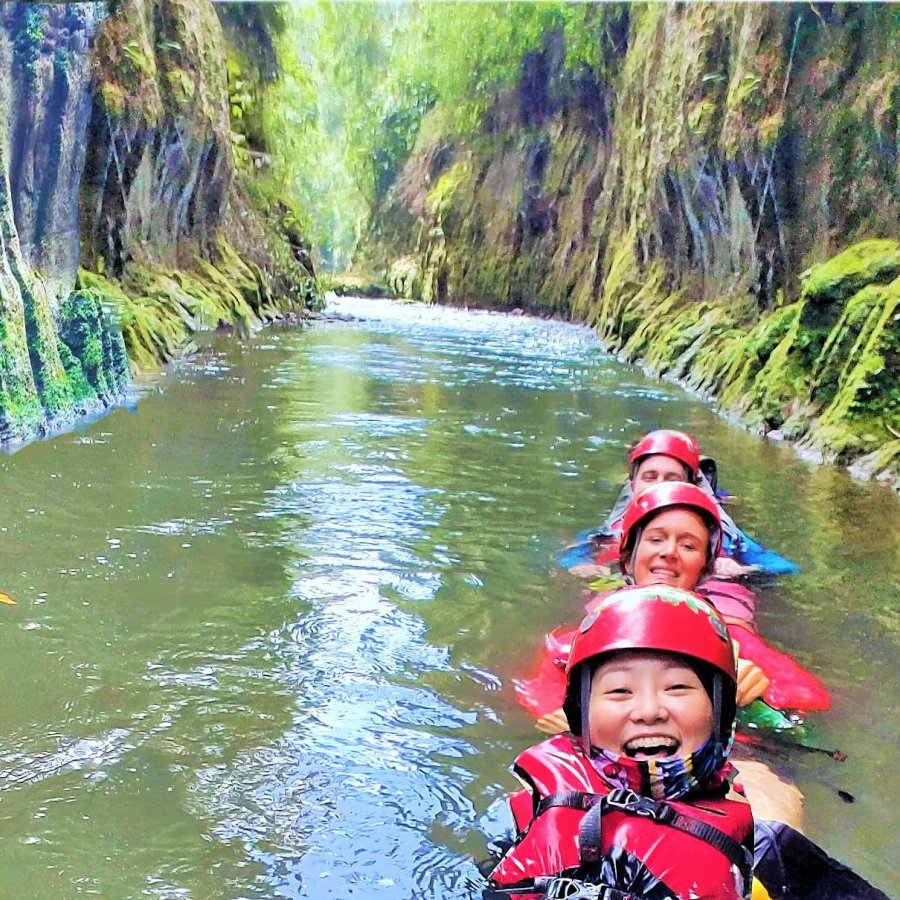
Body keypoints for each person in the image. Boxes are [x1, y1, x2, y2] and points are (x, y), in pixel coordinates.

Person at [488, 585, 755, 899]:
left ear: (719, 713)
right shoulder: (526, 813)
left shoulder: (767, 841)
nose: (648, 711)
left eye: (678, 687)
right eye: (619, 691)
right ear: (581, 716)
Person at [567, 429, 757, 580]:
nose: (659, 485)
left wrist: (744, 569)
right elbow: (571, 556)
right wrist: (580, 565)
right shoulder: (611, 530)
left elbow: (778, 566)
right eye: (650, 477)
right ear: (633, 485)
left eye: (671, 478)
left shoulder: (720, 535)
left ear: (690, 485)